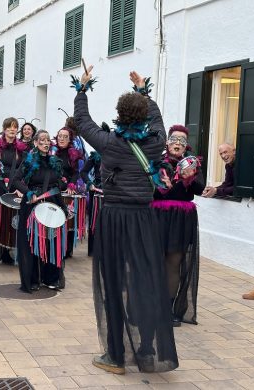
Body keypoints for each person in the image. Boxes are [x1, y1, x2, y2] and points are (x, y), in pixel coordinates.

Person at [74, 67, 178, 374]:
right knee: (144, 281)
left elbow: (82, 121)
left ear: (119, 115)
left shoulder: (108, 142)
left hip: (115, 218)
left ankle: (116, 356)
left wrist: (82, 89)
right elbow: (159, 119)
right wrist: (144, 90)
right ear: (143, 116)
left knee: (113, 282)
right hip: (144, 219)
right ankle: (146, 350)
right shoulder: (155, 141)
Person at [152, 124, 205, 327]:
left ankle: (169, 308)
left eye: (182, 141)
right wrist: (164, 186)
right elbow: (151, 190)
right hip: (158, 216)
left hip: (182, 218)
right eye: (174, 139)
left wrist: (190, 177)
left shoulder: (193, 164)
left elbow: (199, 189)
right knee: (155, 260)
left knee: (174, 262)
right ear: (167, 142)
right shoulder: (157, 162)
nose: (178, 143)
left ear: (186, 146)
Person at [13, 130, 68, 292]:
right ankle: (32, 280)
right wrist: (28, 192)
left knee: (51, 241)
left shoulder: (54, 161)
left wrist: (64, 184)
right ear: (36, 143)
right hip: (32, 204)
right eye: (41, 140)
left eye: (47, 140)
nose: (45, 143)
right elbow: (16, 180)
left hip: (51, 203)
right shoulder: (29, 161)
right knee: (31, 243)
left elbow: (59, 184)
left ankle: (51, 278)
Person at [0, 117, 28, 265]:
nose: (12, 130)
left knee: (10, 221)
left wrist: (21, 187)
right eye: (9, 127)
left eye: (15, 127)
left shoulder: (22, 148)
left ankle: (6, 255)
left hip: (14, 188)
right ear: (4, 129)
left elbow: (25, 169)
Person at [53, 126, 85, 260]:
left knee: (68, 219)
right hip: (55, 188)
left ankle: (67, 249)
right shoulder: (52, 152)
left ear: (70, 139)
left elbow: (76, 172)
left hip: (67, 189)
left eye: (65, 136)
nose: (62, 139)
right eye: (60, 136)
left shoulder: (74, 153)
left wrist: (71, 184)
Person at [81, 150, 102, 257]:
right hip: (97, 190)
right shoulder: (95, 155)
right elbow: (83, 172)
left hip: (114, 191)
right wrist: (89, 183)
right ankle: (94, 250)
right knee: (94, 221)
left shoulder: (118, 151)